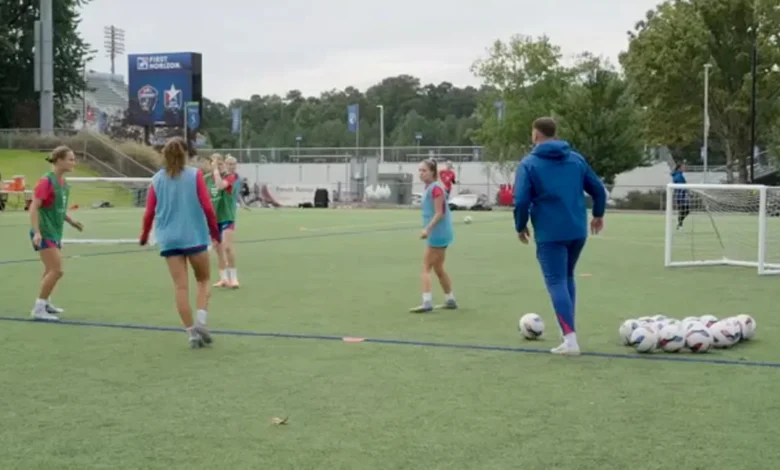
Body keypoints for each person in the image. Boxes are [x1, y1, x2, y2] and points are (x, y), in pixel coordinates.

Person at [513, 117, 606, 356]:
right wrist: (598, 214)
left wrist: (520, 225)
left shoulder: (529, 163)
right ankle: (568, 334)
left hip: (550, 232)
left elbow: (521, 200)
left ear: (535, 135)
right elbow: (598, 189)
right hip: (577, 229)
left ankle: (570, 340)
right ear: (555, 133)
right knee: (567, 277)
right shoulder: (575, 159)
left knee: (556, 281)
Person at [140, 138, 221, 348]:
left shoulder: (156, 180)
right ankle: (201, 322)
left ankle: (192, 334)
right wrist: (215, 233)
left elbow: (149, 213)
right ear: (185, 154)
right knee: (203, 280)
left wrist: (144, 235)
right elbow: (207, 207)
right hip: (193, 235)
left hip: (169, 239)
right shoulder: (195, 175)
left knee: (180, 287)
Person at [28, 146, 84, 321]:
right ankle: (38, 309)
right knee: (57, 270)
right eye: (70, 159)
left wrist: (71, 221)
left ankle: (45, 303)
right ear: (59, 160)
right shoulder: (46, 182)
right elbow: (33, 207)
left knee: (49, 269)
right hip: (45, 232)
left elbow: (58, 209)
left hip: (55, 232)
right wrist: (37, 232)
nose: (73, 163)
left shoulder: (64, 184)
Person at [410, 159, 457, 313]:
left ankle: (427, 302)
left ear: (432, 172)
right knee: (438, 267)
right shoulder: (430, 187)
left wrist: (427, 230)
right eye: (419, 170)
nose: (421, 173)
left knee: (425, 268)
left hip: (438, 233)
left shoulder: (436, 189)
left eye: (424, 170)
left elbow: (440, 213)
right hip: (439, 233)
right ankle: (450, 299)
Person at [211, 155, 241, 288]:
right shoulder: (208, 178)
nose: (230, 167)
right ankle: (223, 278)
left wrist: (215, 171)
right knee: (218, 248)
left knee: (227, 247)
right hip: (214, 218)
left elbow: (220, 186)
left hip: (227, 216)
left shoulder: (231, 177)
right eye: (228, 164)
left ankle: (234, 278)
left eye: (233, 164)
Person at [671, 163, 690, 229]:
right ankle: (680, 224)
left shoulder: (679, 175)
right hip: (681, 196)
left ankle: (680, 224)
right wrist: (685, 192)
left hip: (681, 196)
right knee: (684, 210)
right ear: (679, 168)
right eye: (683, 167)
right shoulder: (678, 176)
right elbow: (680, 187)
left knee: (684, 210)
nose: (684, 168)